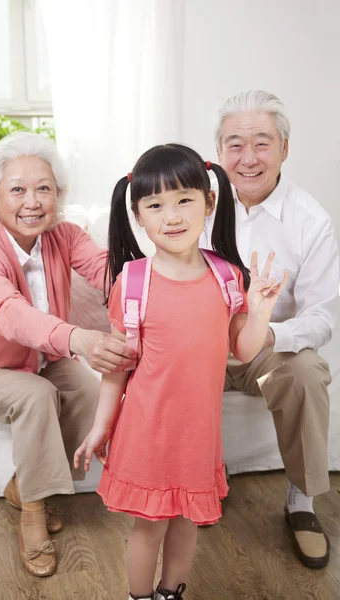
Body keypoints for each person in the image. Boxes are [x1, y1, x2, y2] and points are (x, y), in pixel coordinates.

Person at [74, 143, 287, 600]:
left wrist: (261, 310)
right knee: (149, 527)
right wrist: (98, 428)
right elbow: (117, 369)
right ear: (138, 215)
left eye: (184, 200)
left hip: (198, 435)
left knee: (187, 522)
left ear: (209, 202)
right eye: (155, 205)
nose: (171, 216)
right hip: (146, 432)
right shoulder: (132, 282)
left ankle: (171, 593)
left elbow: (244, 349)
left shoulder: (227, 277)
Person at [0, 131, 136, 577]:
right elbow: (9, 313)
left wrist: (154, 283)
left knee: (87, 390)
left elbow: (108, 272)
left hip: (39, 358)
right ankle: (33, 511)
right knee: (36, 395)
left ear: (58, 195)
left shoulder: (62, 235)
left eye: (43, 188)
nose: (32, 201)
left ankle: (19, 484)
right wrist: (80, 339)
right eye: (18, 189)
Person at [200, 89, 339, 568]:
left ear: (284, 148)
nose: (248, 157)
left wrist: (264, 333)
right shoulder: (195, 204)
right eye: (235, 144)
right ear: (219, 153)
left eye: (262, 142)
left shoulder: (310, 221)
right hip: (202, 346)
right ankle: (196, 482)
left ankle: (301, 502)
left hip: (269, 351)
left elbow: (322, 317)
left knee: (306, 373)